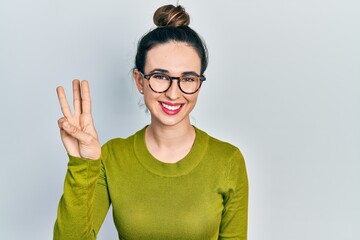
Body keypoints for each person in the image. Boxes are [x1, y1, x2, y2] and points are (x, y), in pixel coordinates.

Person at [53, 4, 248, 240]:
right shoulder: (112, 156)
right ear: (139, 80)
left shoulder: (228, 160)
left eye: (187, 78)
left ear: (199, 83)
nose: (173, 94)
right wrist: (82, 165)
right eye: (160, 77)